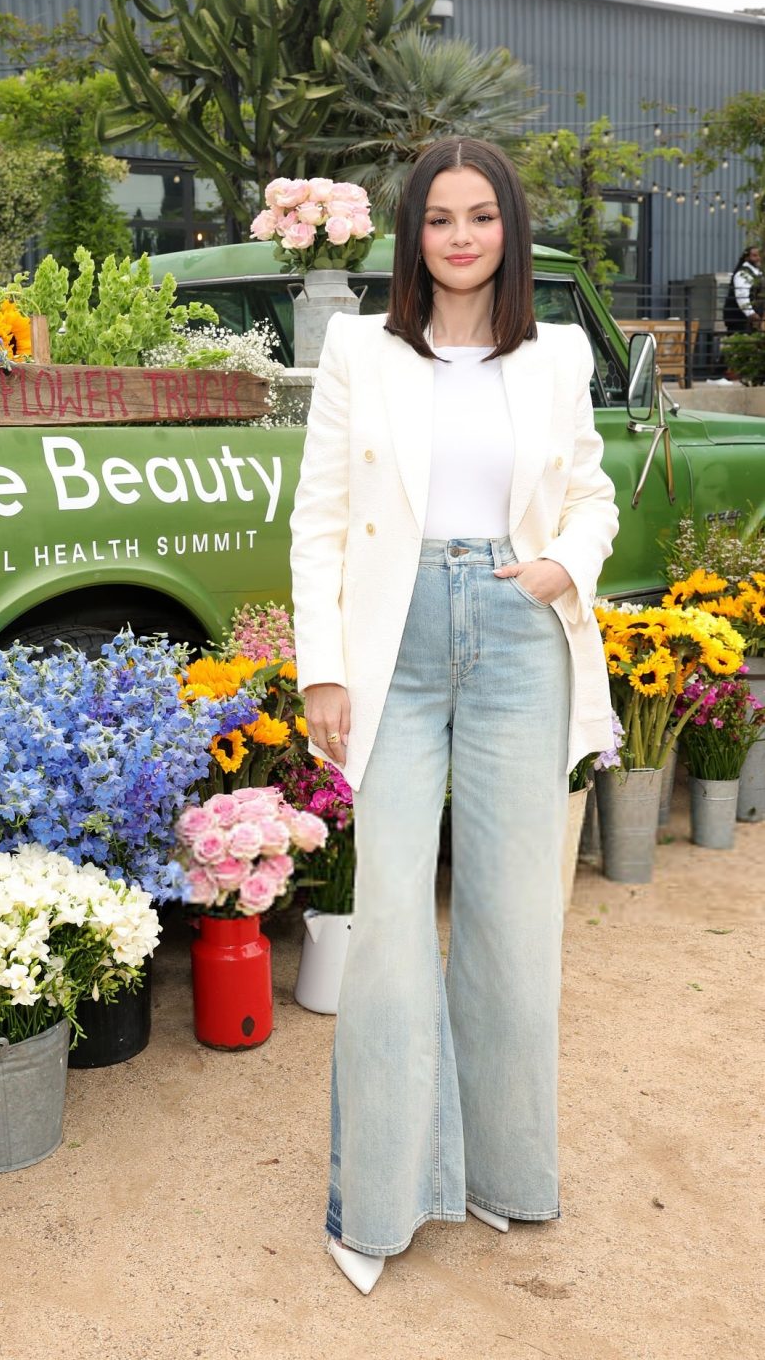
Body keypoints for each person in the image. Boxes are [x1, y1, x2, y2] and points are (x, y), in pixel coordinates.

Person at [289, 136, 619, 1296]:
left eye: (481, 216)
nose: (461, 236)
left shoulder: (557, 352)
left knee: (512, 917)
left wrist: (562, 564)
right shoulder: (358, 348)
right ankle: (375, 1199)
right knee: (386, 919)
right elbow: (320, 515)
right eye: (439, 217)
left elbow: (589, 491)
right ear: (411, 234)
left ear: (509, 229)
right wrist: (323, 667)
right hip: (394, 646)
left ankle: (499, 1168)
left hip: (519, 630)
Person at [722, 245, 762, 335]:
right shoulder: (743, 273)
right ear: (747, 258)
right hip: (740, 319)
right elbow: (742, 295)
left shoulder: (757, 273)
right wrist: (751, 313)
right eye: (754, 255)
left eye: (759, 255)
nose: (758, 258)